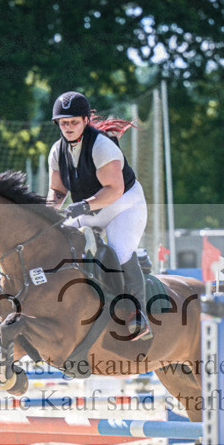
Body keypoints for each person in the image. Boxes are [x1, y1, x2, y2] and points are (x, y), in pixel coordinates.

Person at [46, 90, 151, 341]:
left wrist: (82, 206)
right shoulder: (57, 151)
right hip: (92, 209)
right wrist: (46, 216)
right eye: (63, 123)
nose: (68, 127)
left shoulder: (101, 146)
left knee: (120, 250)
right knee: (58, 240)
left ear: (84, 120)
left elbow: (114, 190)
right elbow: (58, 190)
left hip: (125, 205)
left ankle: (139, 314)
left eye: (73, 122)